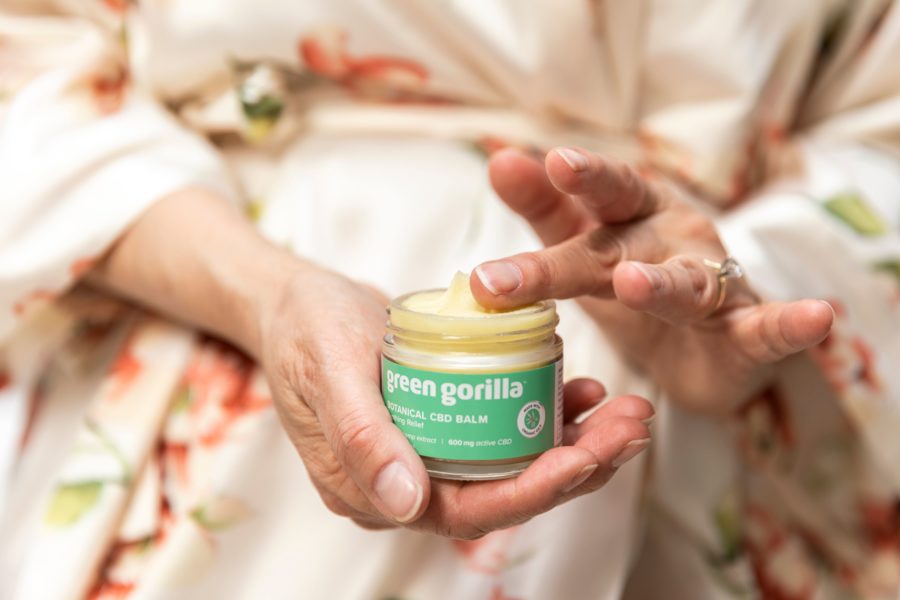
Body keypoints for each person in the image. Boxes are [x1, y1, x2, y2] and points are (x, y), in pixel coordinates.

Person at [1, 1, 898, 598]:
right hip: (220, 386)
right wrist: (264, 294)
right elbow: (25, 62)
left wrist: (743, 290)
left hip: (725, 479)